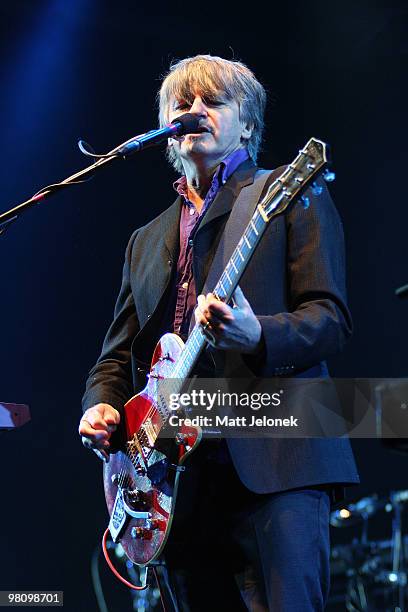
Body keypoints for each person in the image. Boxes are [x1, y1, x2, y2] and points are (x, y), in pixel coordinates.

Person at [79, 54, 359, 611]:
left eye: (213, 102)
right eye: (181, 105)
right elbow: (115, 358)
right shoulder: (146, 238)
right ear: (165, 129)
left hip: (277, 464)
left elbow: (330, 319)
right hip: (177, 483)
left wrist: (258, 335)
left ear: (248, 124)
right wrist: (101, 405)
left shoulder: (285, 193)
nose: (194, 111)